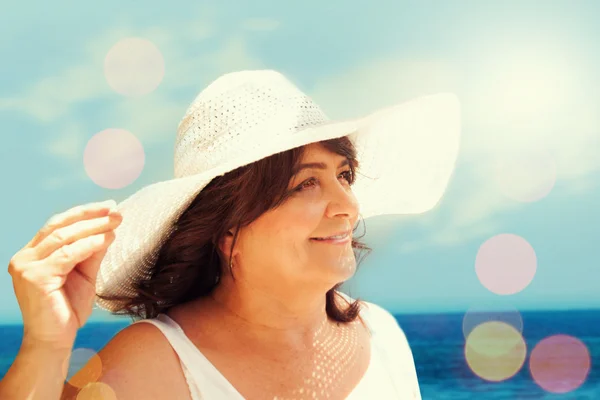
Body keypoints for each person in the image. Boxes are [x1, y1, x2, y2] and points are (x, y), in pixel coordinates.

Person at [1, 69, 460, 399]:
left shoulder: (381, 333)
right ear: (227, 230)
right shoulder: (156, 364)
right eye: (306, 183)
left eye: (344, 175)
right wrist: (46, 346)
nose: (348, 207)